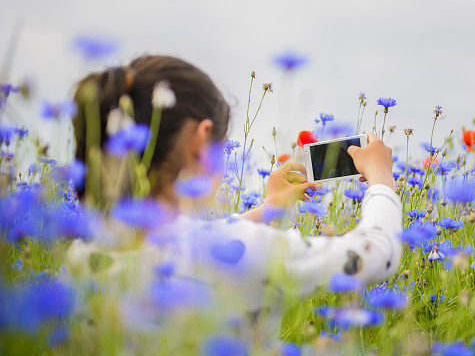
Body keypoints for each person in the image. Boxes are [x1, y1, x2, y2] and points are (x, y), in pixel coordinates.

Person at [66, 55, 402, 332]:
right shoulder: (246, 251)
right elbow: (374, 255)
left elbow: (191, 242)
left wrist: (269, 207)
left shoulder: (81, 258)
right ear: (202, 139)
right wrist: (381, 180)